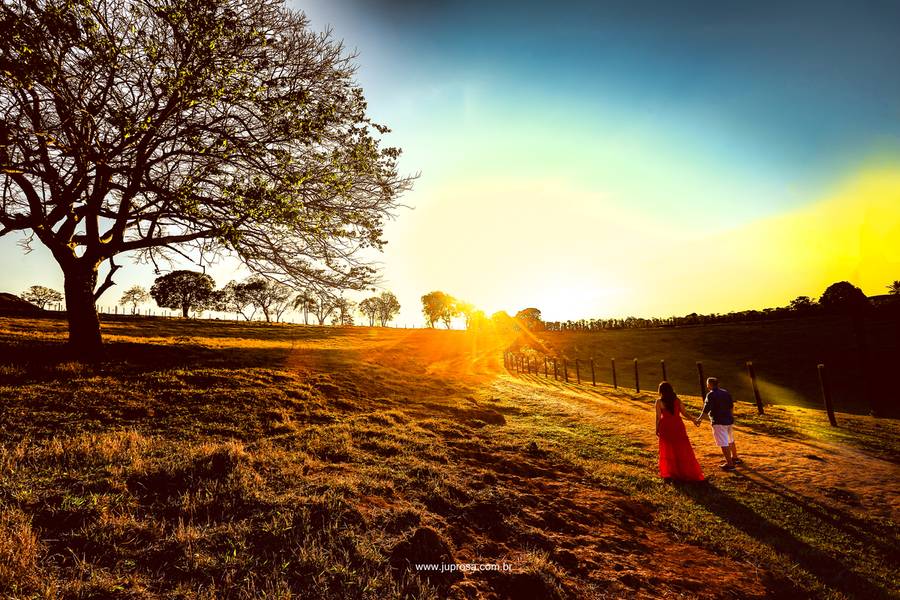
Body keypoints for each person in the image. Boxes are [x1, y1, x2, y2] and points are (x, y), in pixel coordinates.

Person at [655, 381, 705, 482]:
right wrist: (694, 420)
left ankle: (670, 472)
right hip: (678, 425)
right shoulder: (677, 400)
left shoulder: (659, 402)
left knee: (668, 448)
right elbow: (685, 413)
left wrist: (656, 428)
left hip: (666, 426)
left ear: (661, 391)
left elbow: (658, 417)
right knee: (681, 447)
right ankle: (684, 470)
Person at [694, 377, 741, 471]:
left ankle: (730, 464)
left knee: (723, 442)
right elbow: (731, 406)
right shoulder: (725, 392)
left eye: (707, 384)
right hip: (728, 420)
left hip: (718, 421)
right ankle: (735, 458)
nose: (707, 386)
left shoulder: (711, 395)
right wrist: (731, 417)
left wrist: (699, 419)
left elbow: (706, 409)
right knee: (730, 439)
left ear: (710, 385)